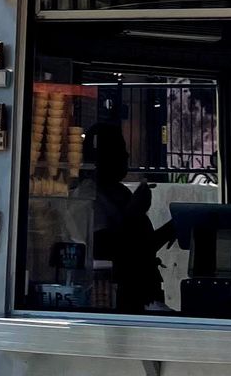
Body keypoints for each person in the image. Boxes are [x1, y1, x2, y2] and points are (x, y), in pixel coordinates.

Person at [74, 123, 173, 312]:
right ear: (102, 157)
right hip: (115, 294)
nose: (126, 156)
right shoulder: (88, 197)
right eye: (120, 151)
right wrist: (133, 213)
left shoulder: (120, 192)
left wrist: (173, 227)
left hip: (142, 290)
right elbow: (108, 248)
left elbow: (143, 245)